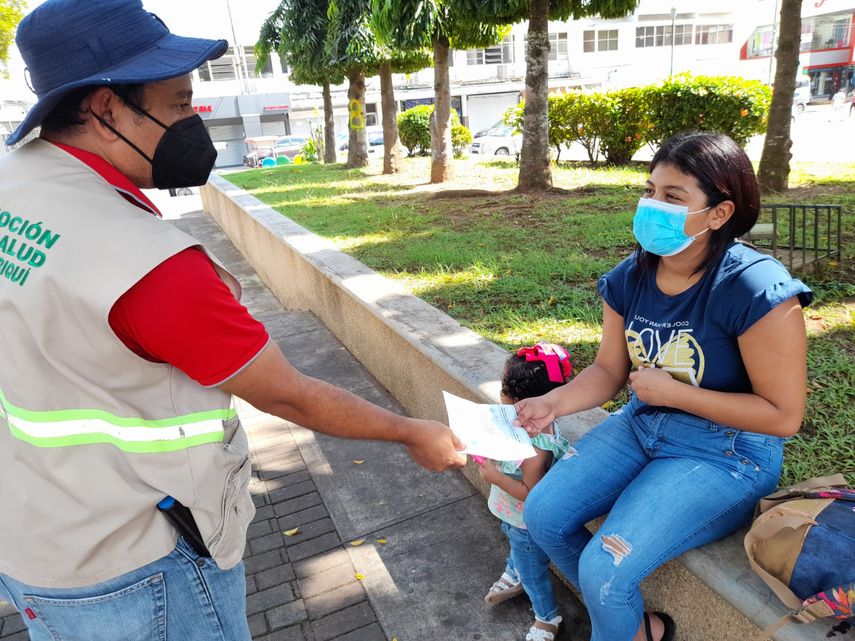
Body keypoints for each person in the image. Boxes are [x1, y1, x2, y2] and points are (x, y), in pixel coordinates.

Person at [0, 1, 465, 640]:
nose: (197, 121)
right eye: (181, 104)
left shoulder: (13, 182)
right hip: (142, 565)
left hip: (32, 540)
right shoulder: (145, 264)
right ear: (106, 109)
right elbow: (288, 392)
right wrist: (411, 430)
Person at [514, 132, 813, 641]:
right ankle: (634, 629)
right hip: (642, 425)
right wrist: (551, 402)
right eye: (650, 189)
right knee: (542, 513)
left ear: (719, 214)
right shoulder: (631, 277)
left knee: (605, 567)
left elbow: (784, 416)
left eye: (673, 197)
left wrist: (677, 395)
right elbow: (609, 370)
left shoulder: (756, 288)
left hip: (729, 453)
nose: (652, 205)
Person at [479, 343, 574, 641]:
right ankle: (514, 569)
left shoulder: (534, 448)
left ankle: (547, 618)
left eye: (504, 392)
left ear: (520, 401)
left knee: (533, 570)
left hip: (526, 521)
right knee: (514, 543)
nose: (501, 398)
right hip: (513, 519)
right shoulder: (529, 425)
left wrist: (494, 475)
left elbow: (530, 494)